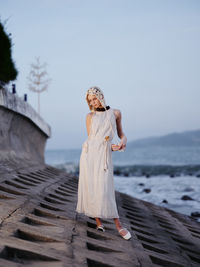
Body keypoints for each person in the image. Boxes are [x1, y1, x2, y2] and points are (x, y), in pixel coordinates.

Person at [76, 86, 131, 240]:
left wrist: (121, 143)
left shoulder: (116, 113)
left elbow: (122, 135)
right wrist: (107, 147)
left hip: (104, 156)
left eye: (95, 98)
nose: (94, 102)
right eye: (90, 101)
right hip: (89, 154)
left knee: (105, 188)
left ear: (101, 96)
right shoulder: (89, 116)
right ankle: (98, 222)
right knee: (92, 187)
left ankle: (119, 225)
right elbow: (92, 139)